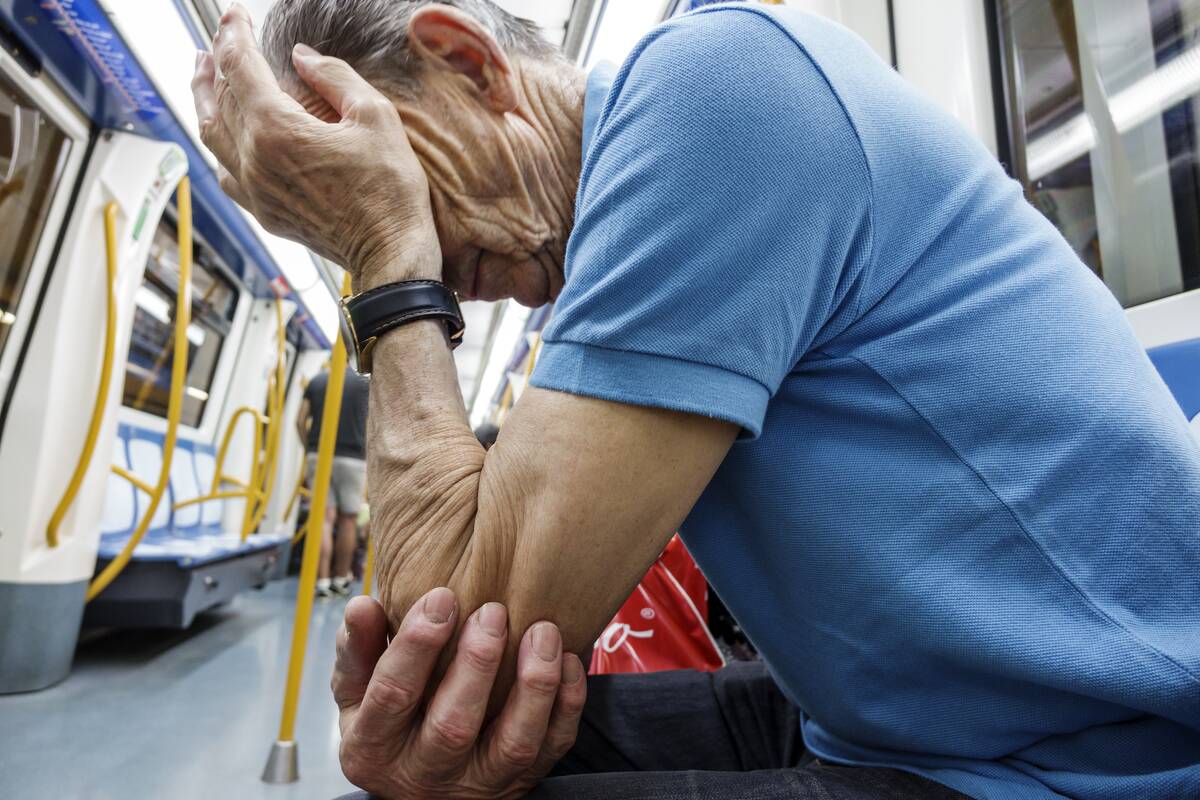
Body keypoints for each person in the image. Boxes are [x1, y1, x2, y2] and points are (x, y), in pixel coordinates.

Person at [192, 2, 1200, 798]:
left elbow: (460, 623)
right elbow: (453, 661)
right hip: (897, 718)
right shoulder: (599, 258)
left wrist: (383, 254)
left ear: (468, 61)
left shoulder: (713, 91)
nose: (437, 270)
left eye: (393, 182)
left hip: (1094, 750)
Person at [296, 364, 370, 598]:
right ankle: (340, 579)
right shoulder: (366, 384)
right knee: (348, 520)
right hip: (354, 458)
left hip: (319, 454)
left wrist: (310, 448)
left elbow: (300, 420)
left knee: (323, 519)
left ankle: (321, 581)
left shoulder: (317, 380)